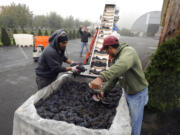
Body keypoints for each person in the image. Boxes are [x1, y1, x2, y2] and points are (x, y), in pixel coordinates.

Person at [89, 35, 149, 135]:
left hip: (137, 94)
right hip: (128, 91)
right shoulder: (116, 58)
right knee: (128, 118)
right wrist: (103, 91)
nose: (106, 53)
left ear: (110, 48)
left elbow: (122, 65)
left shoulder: (128, 52)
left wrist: (101, 77)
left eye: (106, 50)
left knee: (135, 123)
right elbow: (114, 78)